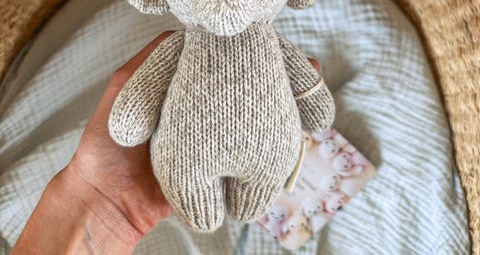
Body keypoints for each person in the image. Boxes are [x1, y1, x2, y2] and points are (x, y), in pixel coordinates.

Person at [12, 31, 320, 254]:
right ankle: (206, 200)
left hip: (263, 152)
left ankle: (249, 197)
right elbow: (146, 89)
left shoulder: (273, 44)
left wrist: (317, 105)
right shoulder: (181, 44)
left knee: (255, 191)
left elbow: (309, 89)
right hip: (186, 158)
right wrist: (131, 119)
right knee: (192, 186)